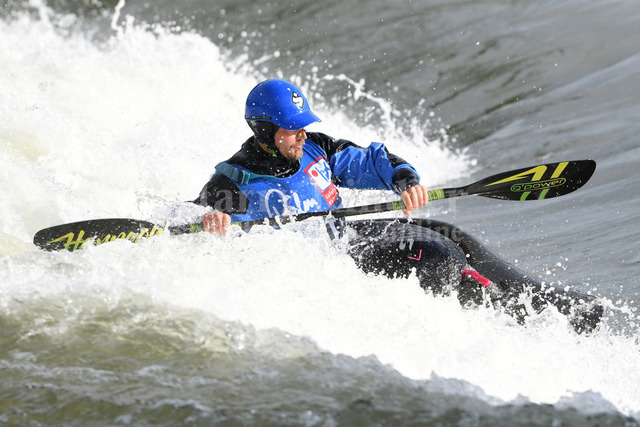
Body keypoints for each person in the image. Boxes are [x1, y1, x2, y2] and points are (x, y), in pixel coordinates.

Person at [194, 79, 486, 299]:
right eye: (293, 128)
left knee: (449, 236)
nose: (302, 134)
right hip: (323, 271)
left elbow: (373, 162)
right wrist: (210, 221)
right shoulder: (232, 182)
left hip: (346, 239)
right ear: (265, 130)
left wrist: (407, 182)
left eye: (303, 126)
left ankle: (486, 288)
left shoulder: (317, 147)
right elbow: (190, 220)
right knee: (437, 256)